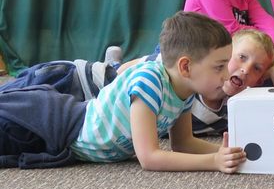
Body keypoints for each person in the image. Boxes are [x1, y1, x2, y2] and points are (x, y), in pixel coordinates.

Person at [0, 12, 247, 172]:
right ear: (185, 67)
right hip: (55, 124)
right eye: (219, 67)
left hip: (66, 129)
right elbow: (149, 157)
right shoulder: (150, 81)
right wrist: (212, 162)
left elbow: (183, 144)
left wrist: (228, 153)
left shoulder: (186, 90)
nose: (227, 75)